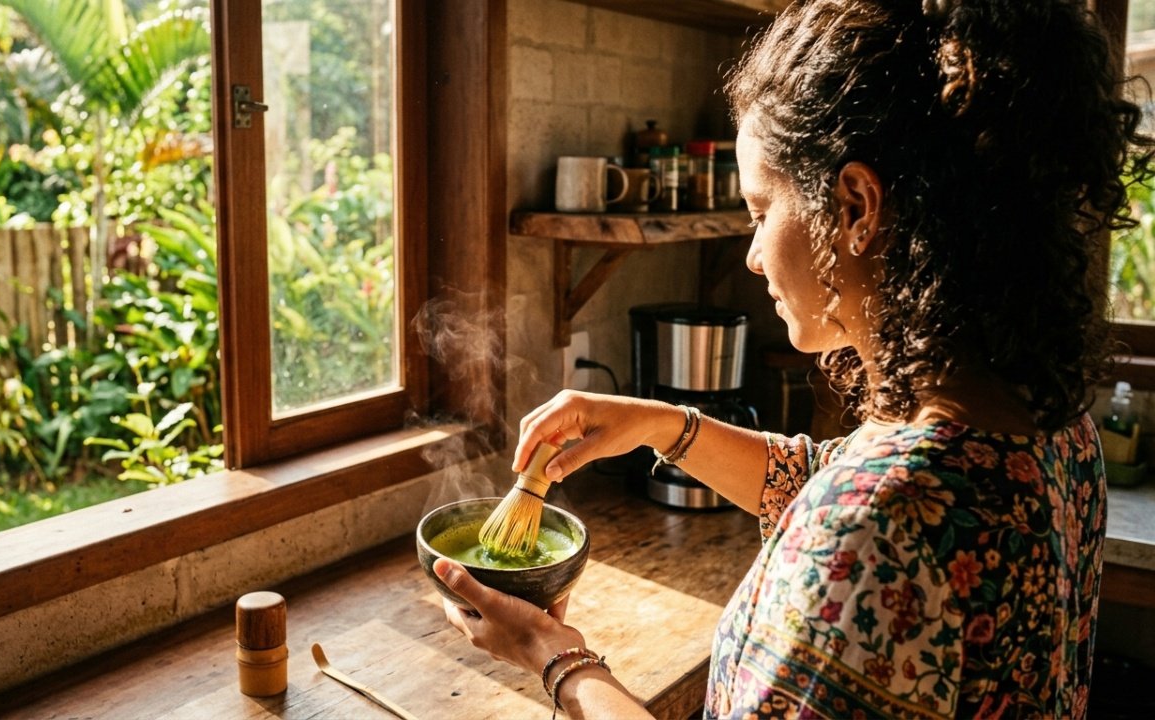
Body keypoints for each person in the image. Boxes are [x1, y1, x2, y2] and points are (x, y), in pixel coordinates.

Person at [433, 0, 1153, 717]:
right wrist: (661, 425)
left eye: (759, 210)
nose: (750, 253)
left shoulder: (871, 528)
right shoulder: (1054, 429)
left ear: (856, 207)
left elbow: (855, 512)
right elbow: (825, 482)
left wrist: (553, 656)